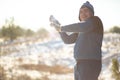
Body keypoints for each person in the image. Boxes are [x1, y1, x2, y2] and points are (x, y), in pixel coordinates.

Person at [50, 1, 104, 80]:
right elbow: (67, 40)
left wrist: (61, 28)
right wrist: (58, 27)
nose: (83, 13)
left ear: (92, 13)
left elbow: (82, 26)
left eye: (86, 10)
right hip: (79, 64)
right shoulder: (82, 29)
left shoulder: (95, 21)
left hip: (90, 64)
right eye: (81, 12)